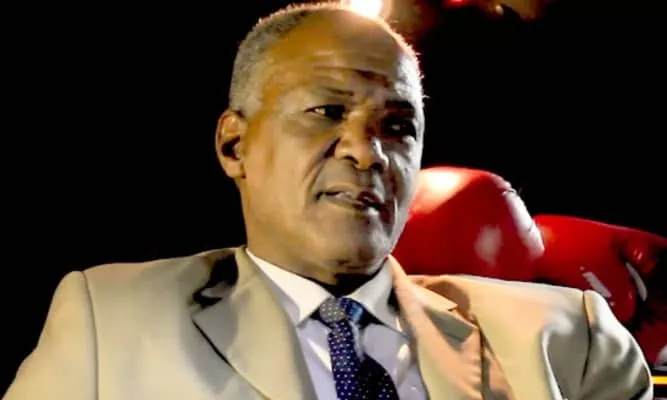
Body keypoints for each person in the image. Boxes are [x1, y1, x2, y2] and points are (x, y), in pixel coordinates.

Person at [3, 3, 653, 400]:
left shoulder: (567, 336)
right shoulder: (112, 319)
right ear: (234, 145)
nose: (368, 153)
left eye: (397, 126)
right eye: (326, 112)